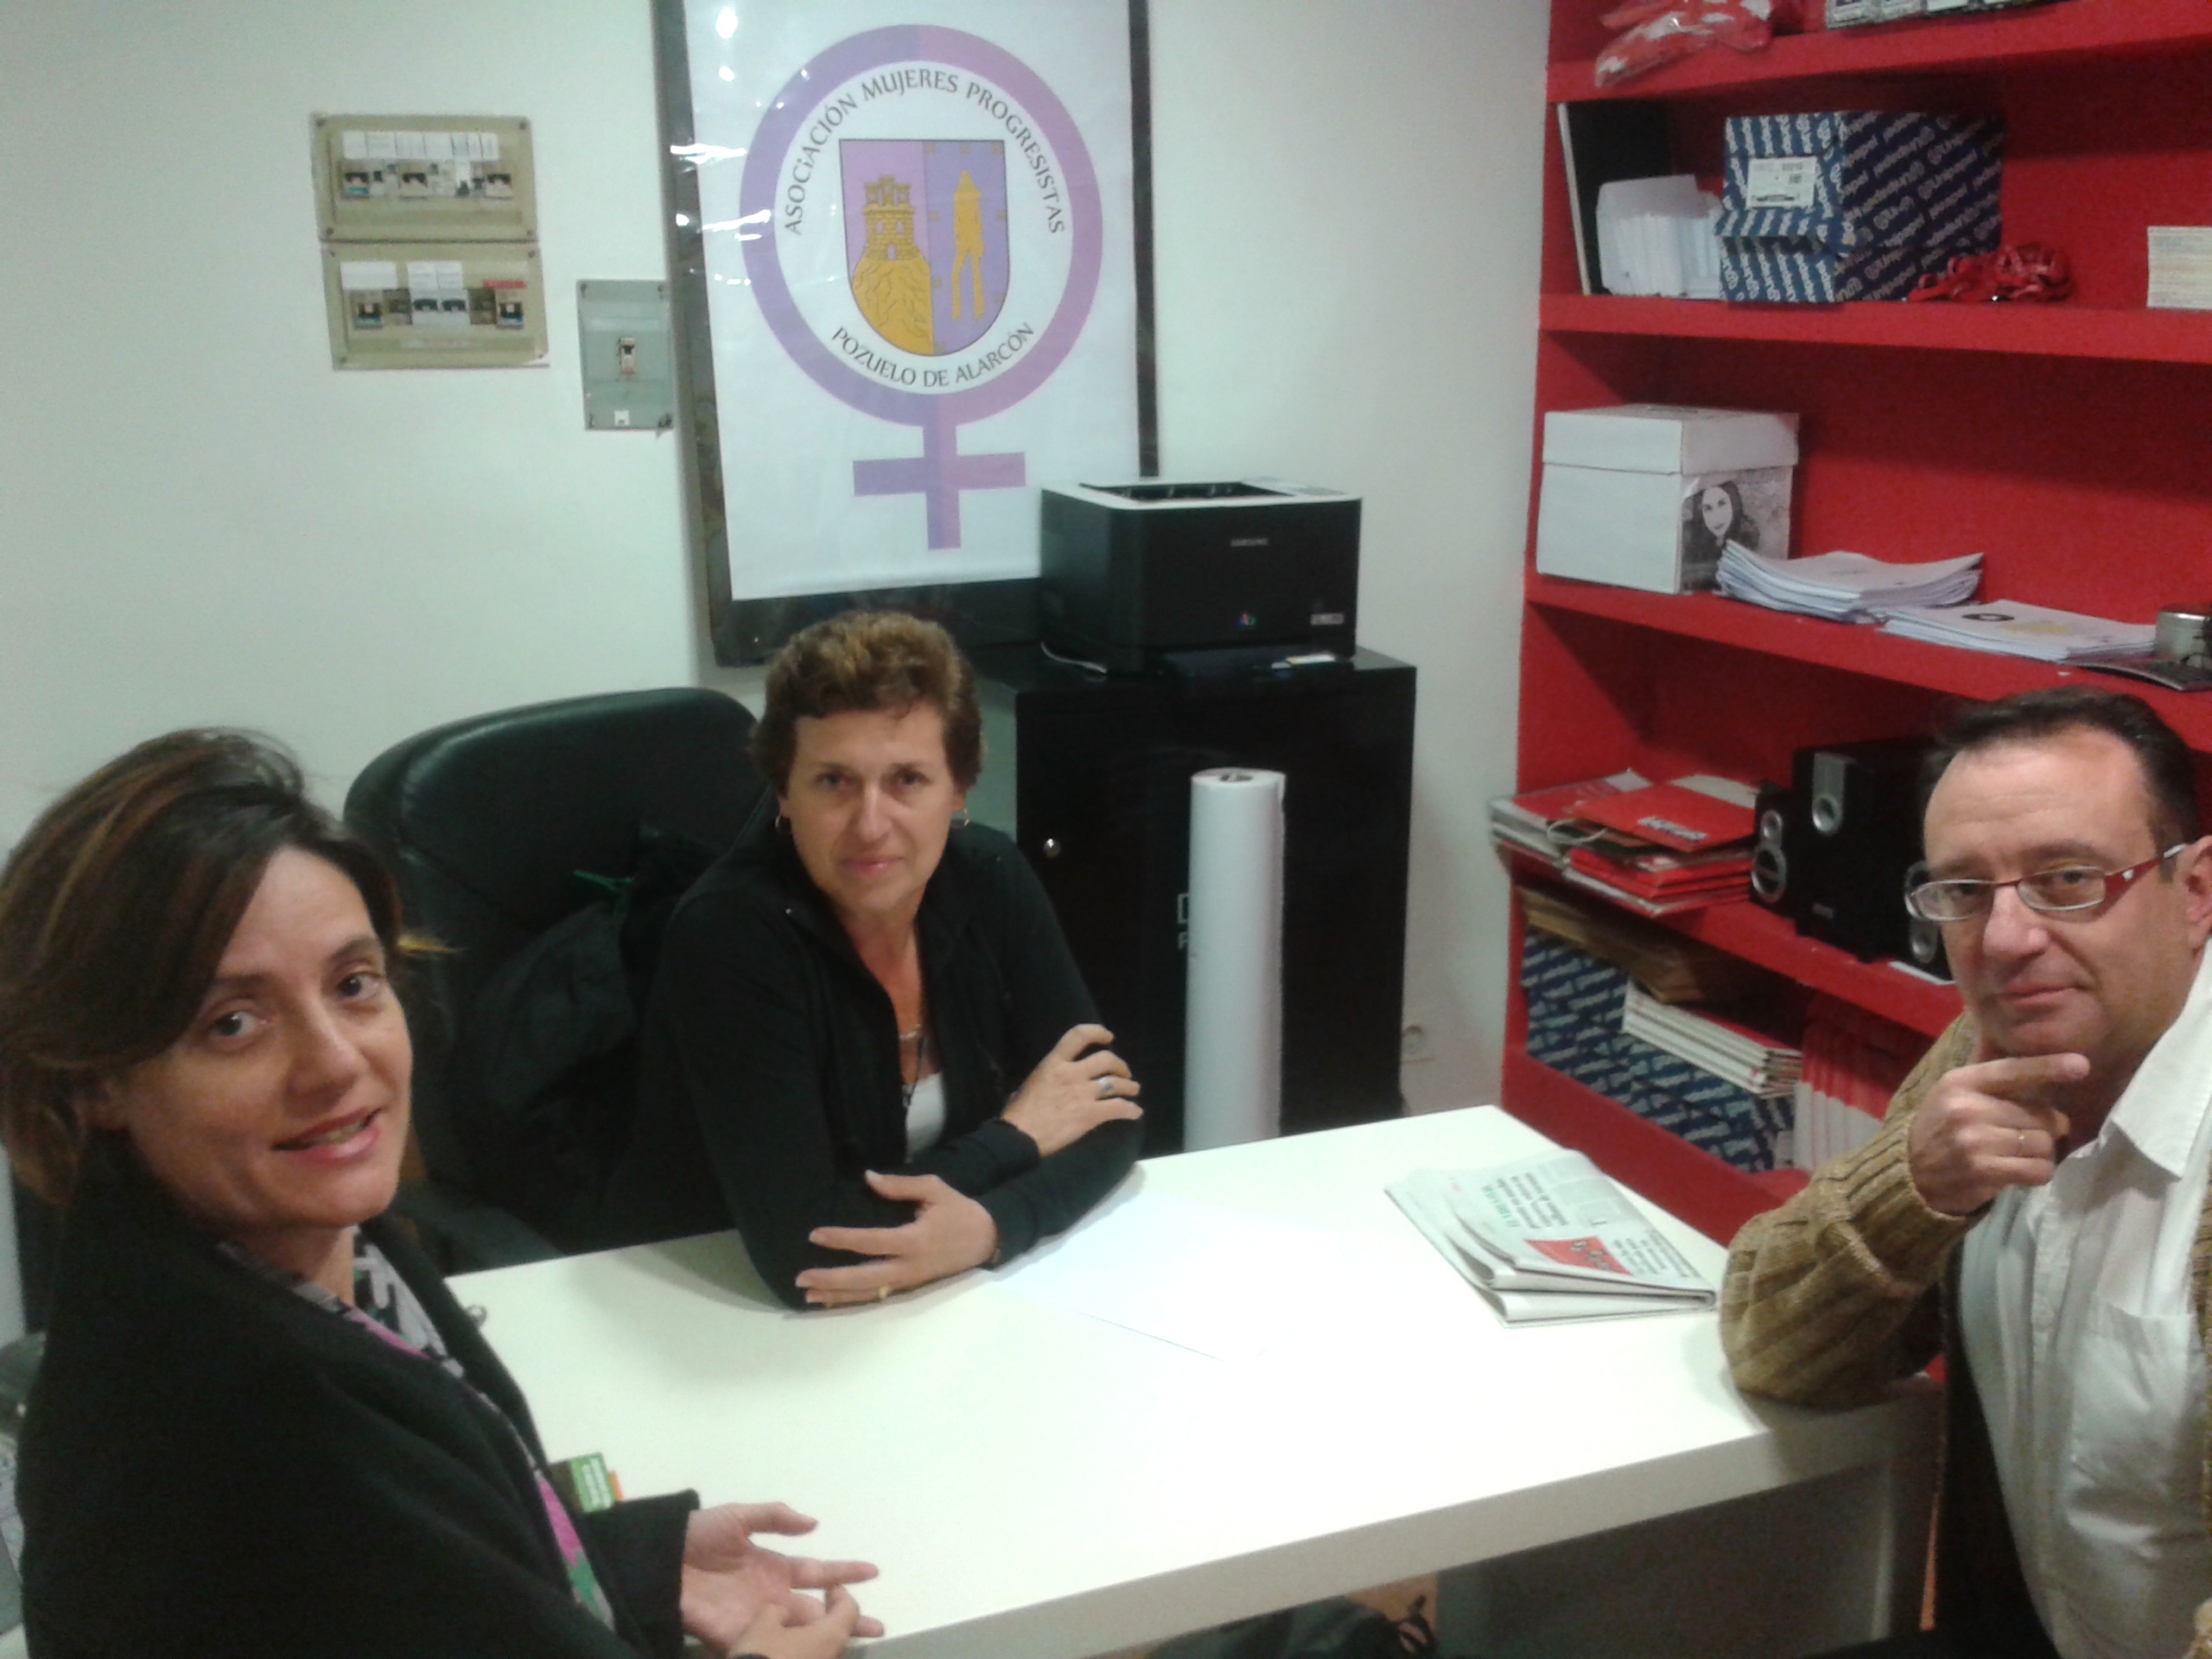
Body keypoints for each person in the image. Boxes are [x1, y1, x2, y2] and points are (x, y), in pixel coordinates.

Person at [0, 731, 880, 1658]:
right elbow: (346, 1542)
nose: (336, 1062)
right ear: (95, 1082)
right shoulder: (252, 1419)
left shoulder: (289, 1248)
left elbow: (399, 1587)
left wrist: (629, 1558)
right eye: (233, 1024)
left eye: (353, 983)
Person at [1721, 688, 2212, 1659]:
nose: (2005, 941)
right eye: (1964, 891)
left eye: (2067, 879)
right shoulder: (1985, 1054)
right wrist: (1911, 1191)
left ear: (2195, 892)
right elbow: (1768, 1344)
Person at [602, 610, 1142, 1308]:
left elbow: (1109, 1115)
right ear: (784, 792)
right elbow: (805, 1249)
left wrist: (991, 1229)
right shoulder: (730, 934)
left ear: (960, 788)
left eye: (908, 780)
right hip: (712, 1307)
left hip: (936, 1297)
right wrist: (1016, 1138)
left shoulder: (989, 878)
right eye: (834, 781)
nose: (870, 824)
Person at [1681, 477, 1756, 568]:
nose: (1716, 516)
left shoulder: (1748, 540)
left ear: (1734, 504)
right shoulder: (1692, 544)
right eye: (1708, 509)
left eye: (1722, 504)